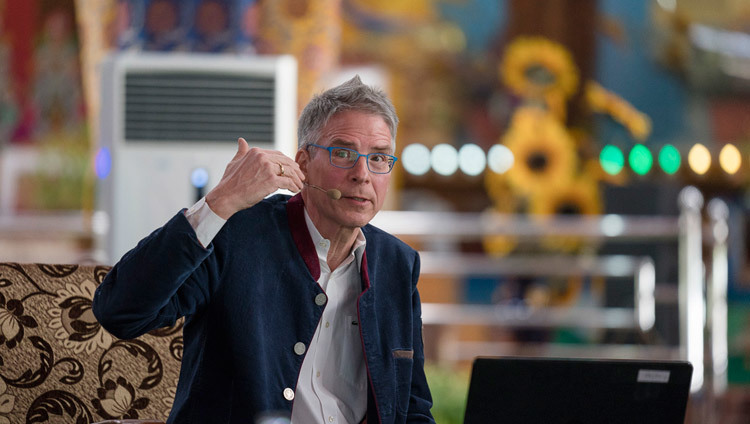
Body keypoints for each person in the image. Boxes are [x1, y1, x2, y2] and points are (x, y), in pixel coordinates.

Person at [93, 76, 435, 424]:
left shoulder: (398, 263)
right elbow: (119, 311)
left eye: (378, 158)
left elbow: (413, 407)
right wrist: (219, 203)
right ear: (303, 163)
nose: (362, 174)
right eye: (343, 153)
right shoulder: (236, 234)